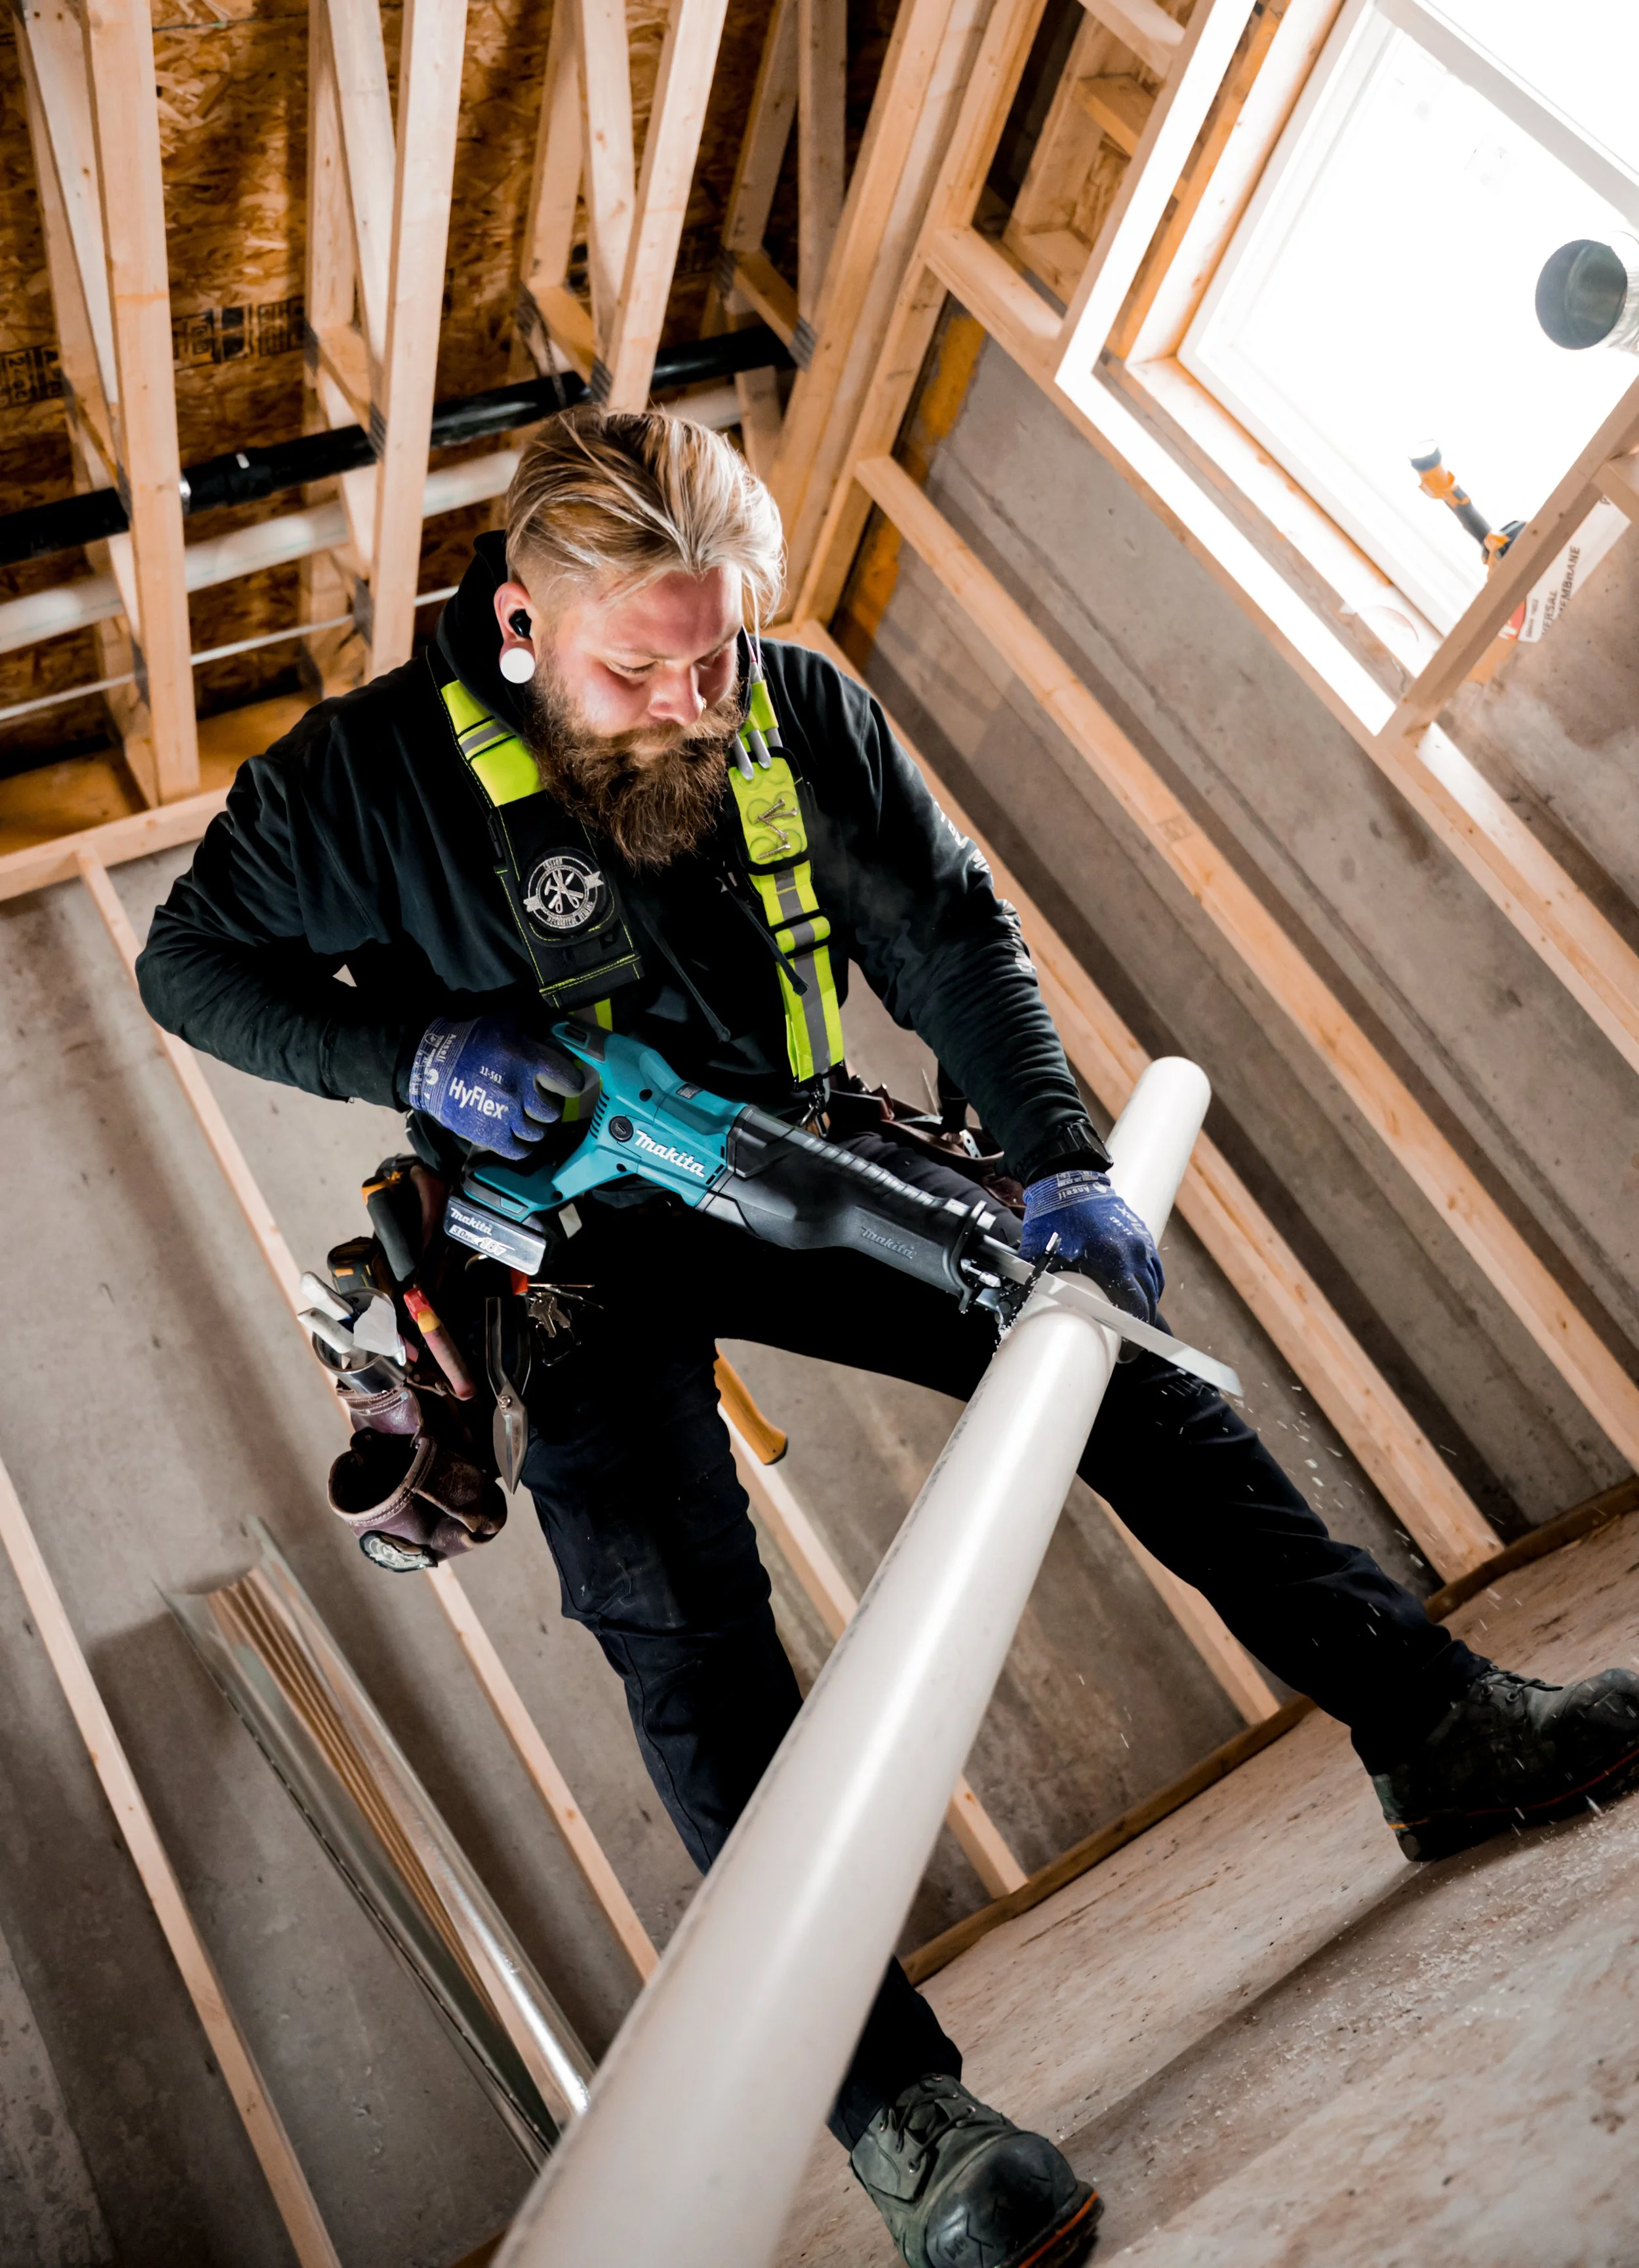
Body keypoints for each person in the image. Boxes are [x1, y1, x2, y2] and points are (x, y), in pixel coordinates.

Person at [138, 410, 1639, 2268]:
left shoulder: (788, 706)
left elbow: (944, 934)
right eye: (640, 666)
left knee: (1105, 1366)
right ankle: (901, 2115)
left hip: (788, 1148)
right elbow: (187, 965)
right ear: (519, 622)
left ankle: (1436, 1727)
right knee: (679, 1625)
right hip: (564, 1240)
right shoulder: (356, 784)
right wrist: (409, 1055)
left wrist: (1061, 1169)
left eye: (716, 650)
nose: (691, 700)